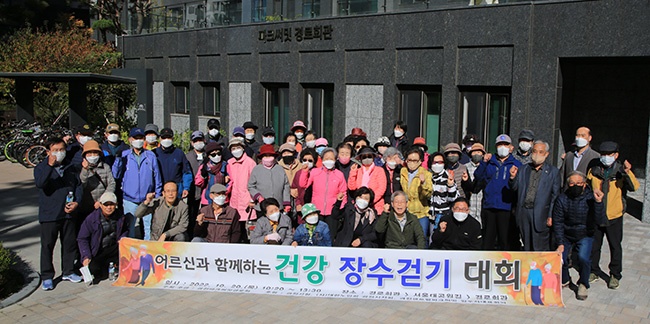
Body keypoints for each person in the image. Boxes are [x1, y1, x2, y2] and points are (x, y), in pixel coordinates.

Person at [587, 141, 639, 290]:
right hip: (597, 214)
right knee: (595, 245)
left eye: (608, 154)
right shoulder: (594, 170)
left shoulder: (620, 171)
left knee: (615, 246)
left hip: (614, 215)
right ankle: (594, 271)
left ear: (616, 155)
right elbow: (588, 186)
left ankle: (615, 275)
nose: (605, 157)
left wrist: (627, 172)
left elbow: (634, 187)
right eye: (602, 154)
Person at [35, 137, 84, 290]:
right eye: (55, 150)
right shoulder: (41, 168)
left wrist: (77, 201)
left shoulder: (71, 167)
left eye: (62, 149)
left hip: (68, 213)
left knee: (69, 243)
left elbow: (79, 186)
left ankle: (68, 271)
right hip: (49, 214)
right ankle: (47, 276)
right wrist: (50, 166)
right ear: (48, 152)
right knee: (48, 245)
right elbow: (40, 183)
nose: (59, 153)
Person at [553, 171, 606, 300]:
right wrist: (560, 243)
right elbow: (558, 222)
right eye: (572, 183)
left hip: (585, 234)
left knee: (583, 258)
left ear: (584, 184)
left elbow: (600, 220)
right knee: (562, 258)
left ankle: (583, 283)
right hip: (567, 233)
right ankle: (565, 279)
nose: (575, 185)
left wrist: (598, 203)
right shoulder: (562, 199)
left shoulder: (590, 198)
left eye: (579, 183)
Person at [509, 140, 561, 251]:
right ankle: (529, 268)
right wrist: (512, 178)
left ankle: (540, 268)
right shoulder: (524, 169)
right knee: (526, 245)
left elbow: (555, 196)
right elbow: (514, 188)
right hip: (524, 212)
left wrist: (551, 215)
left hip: (541, 213)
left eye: (540, 152)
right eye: (534, 151)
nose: (537, 154)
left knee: (540, 247)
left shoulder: (553, 172)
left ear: (546, 154)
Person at [112, 127, 163, 240]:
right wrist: (118, 159)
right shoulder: (124, 155)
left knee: (149, 227)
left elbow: (157, 177)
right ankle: (132, 254)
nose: (138, 140)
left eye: (141, 138)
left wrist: (157, 196)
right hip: (129, 198)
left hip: (148, 198)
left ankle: (149, 252)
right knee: (130, 227)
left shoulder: (150, 156)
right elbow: (116, 174)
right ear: (130, 139)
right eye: (136, 138)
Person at [473, 134, 522, 250]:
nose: (503, 147)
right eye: (500, 144)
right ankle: (487, 262)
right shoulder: (490, 161)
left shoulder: (516, 164)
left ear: (511, 147)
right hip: (489, 205)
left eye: (505, 144)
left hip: (506, 207)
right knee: (488, 240)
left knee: (505, 240)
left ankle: (504, 263)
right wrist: (484, 162)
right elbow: (478, 176)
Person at [77, 192, 128, 281]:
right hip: (97, 250)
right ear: (100, 205)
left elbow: (125, 230)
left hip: (113, 248)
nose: (109, 207)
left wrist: (122, 238)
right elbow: (82, 238)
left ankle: (112, 265)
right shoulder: (91, 219)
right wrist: (86, 256)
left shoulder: (120, 216)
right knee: (94, 270)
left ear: (116, 204)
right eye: (106, 204)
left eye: (111, 204)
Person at [298, 147, 347, 239]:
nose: (329, 161)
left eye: (331, 159)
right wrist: (304, 172)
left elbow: (343, 192)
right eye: (326, 158)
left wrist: (339, 208)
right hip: (316, 210)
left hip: (332, 212)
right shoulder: (315, 172)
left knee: (330, 236)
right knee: (316, 236)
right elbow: (303, 185)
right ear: (322, 159)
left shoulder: (339, 174)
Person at [248, 144, 291, 216]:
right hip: (262, 207)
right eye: (265, 156)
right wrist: (258, 197)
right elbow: (250, 186)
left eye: (270, 155)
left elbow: (286, 186)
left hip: (278, 206)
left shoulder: (280, 169)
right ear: (261, 157)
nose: (268, 158)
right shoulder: (256, 169)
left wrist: (286, 203)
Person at [225, 137, 257, 234]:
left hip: (247, 201)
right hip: (233, 201)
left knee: (248, 232)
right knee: (235, 230)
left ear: (243, 148)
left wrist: (252, 199)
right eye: (233, 149)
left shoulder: (250, 163)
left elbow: (255, 182)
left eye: (238, 147)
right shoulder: (229, 163)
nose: (236, 150)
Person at [399, 147, 433, 238]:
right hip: (407, 212)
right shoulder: (403, 172)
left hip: (421, 213)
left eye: (415, 160)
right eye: (409, 160)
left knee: (422, 237)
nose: (412, 163)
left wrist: (423, 184)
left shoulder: (426, 174)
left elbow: (428, 194)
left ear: (420, 161)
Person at [79, 139, 115, 219]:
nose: (92, 156)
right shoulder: (80, 168)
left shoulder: (105, 167)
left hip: (103, 205)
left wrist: (102, 200)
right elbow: (81, 185)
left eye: (95, 153)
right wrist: (85, 170)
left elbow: (111, 184)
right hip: (86, 206)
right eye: (89, 153)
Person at [428, 152, 460, 241]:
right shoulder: (428, 177)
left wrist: (450, 185)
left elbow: (454, 198)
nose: (437, 164)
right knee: (432, 239)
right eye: (435, 162)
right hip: (431, 215)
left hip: (444, 214)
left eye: (440, 162)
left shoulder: (447, 177)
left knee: (441, 239)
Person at [153, 128, 193, 199]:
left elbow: (186, 172)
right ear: (160, 139)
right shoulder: (154, 153)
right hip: (159, 191)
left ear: (173, 138)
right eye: (164, 137)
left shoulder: (179, 153)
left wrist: (186, 187)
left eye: (168, 137)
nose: (166, 139)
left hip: (176, 191)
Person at [348, 146, 387, 215]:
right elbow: (352, 187)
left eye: (369, 156)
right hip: (359, 205)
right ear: (360, 159)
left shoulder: (379, 170)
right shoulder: (358, 171)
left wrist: (369, 200)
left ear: (373, 157)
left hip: (375, 206)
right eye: (364, 157)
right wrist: (353, 173)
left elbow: (381, 189)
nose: (367, 159)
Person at [195, 142, 227, 207]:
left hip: (222, 198)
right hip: (207, 199)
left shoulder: (225, 165)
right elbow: (197, 182)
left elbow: (231, 181)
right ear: (209, 156)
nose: (217, 156)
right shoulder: (204, 167)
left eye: (218, 154)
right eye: (213, 155)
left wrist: (225, 191)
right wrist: (203, 176)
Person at [186, 130, 206, 235]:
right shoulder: (187, 157)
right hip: (192, 192)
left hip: (205, 193)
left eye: (200, 140)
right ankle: (190, 235)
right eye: (195, 141)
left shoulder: (209, 155)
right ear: (192, 143)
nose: (198, 142)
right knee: (191, 215)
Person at [461, 143, 486, 225]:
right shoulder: (465, 167)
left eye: (479, 152)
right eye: (474, 152)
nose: (476, 154)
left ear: (483, 154)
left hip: (481, 204)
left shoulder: (486, 167)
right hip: (470, 204)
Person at [291, 148, 318, 220]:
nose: (307, 162)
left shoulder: (318, 173)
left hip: (315, 207)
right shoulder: (298, 173)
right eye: (304, 160)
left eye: (310, 160)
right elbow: (295, 190)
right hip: (301, 207)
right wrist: (298, 203)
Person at [382, 147, 403, 212]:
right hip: (385, 201)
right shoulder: (381, 170)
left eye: (395, 158)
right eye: (390, 158)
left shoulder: (401, 170)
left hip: (398, 201)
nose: (393, 160)